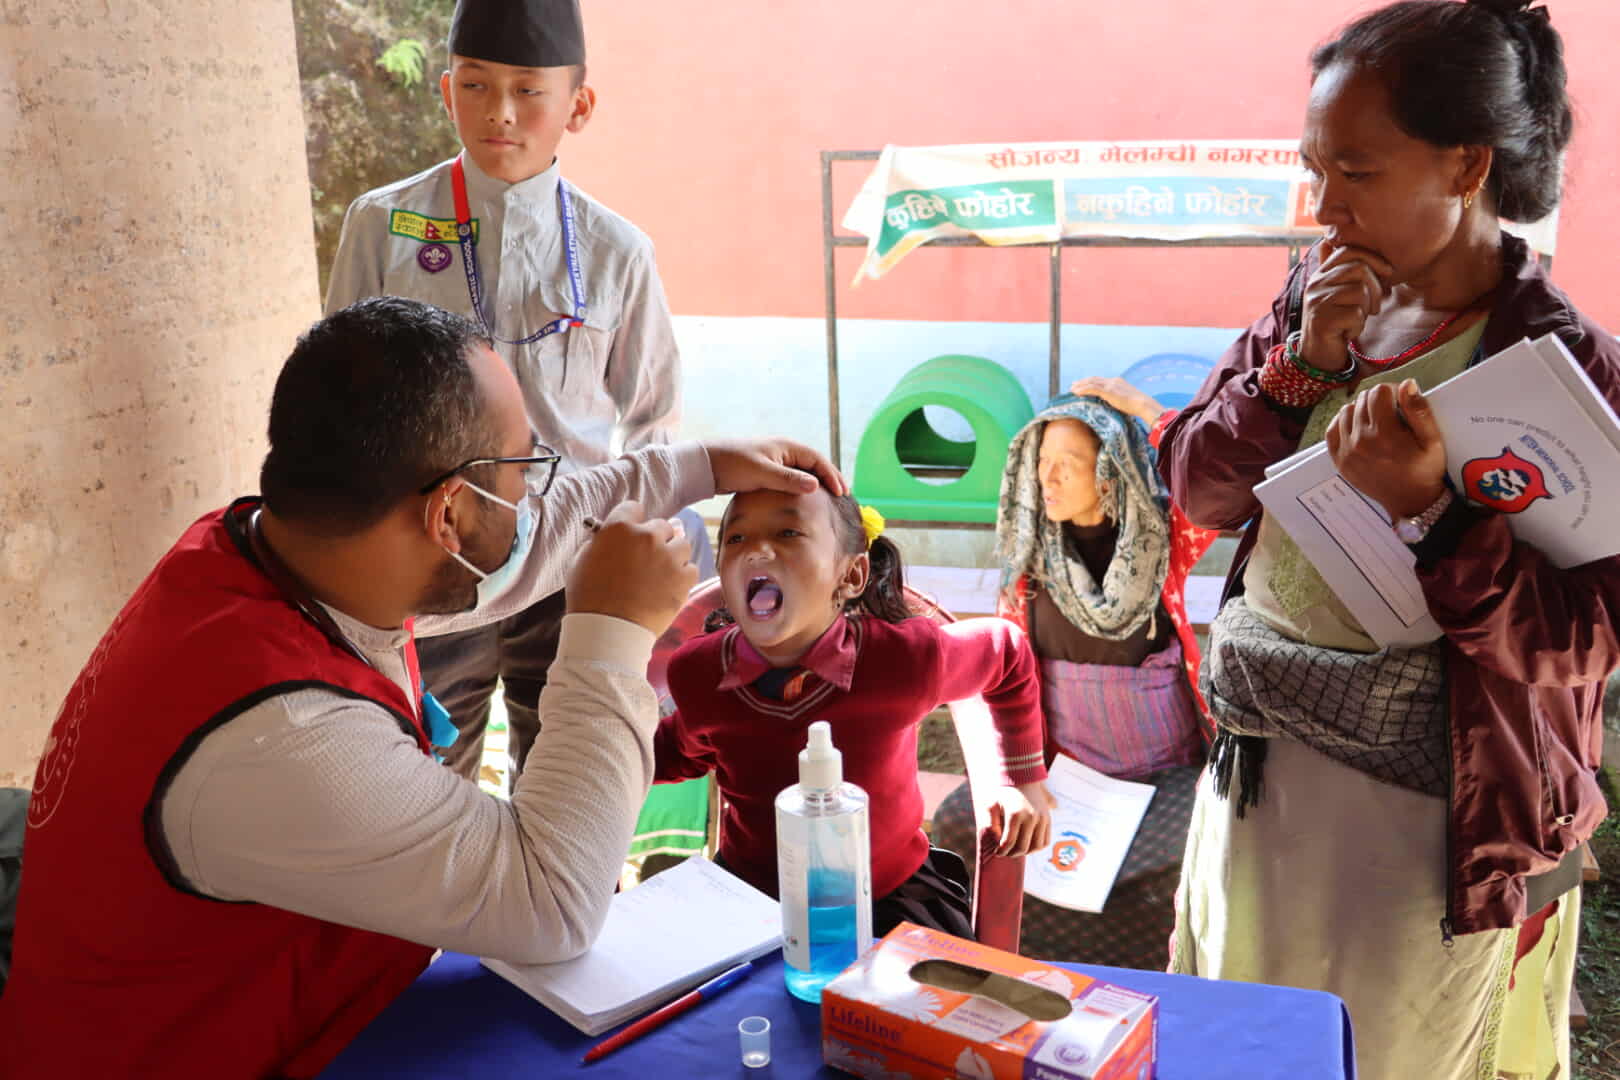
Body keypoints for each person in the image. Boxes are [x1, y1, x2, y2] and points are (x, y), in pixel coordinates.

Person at [0, 297, 842, 1079]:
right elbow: (551, 906)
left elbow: (515, 545)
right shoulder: (281, 737)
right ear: (447, 515)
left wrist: (697, 467)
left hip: (311, 1002)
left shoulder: (279, 552)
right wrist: (612, 633)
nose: (535, 493)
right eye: (523, 469)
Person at [1159, 3, 1616, 1077]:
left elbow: (1585, 643)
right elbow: (1196, 489)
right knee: (1242, 1035)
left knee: (1379, 1049)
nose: (1324, 207)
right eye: (1316, 169)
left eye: (1356, 172)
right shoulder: (1309, 307)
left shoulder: (1563, 370)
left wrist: (1436, 511)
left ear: (1465, 168)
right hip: (1263, 771)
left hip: (1429, 819)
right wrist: (1299, 369)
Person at [324, 0, 686, 787]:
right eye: (478, 86)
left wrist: (631, 559)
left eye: (529, 90)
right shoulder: (383, 225)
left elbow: (652, 419)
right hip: (430, 557)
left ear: (577, 105)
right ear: (447, 90)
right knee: (424, 776)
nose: (500, 113)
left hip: (571, 565)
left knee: (565, 777)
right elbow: (341, 402)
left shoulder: (618, 251)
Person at [653, 483, 1054, 938]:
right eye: (736, 538)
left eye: (788, 532)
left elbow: (1006, 652)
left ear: (852, 576)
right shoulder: (699, 673)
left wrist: (1022, 779)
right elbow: (681, 749)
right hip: (751, 902)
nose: (758, 551)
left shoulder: (903, 661)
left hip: (889, 902)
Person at [931, 379, 1217, 968]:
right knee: (968, 819)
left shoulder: (1164, 546)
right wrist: (1021, 779)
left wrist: (1139, 408)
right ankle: (1020, 964)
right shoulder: (1028, 570)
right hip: (1068, 779)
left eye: (1070, 463)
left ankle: (1151, 973)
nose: (1050, 478)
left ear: (1110, 469)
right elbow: (1004, 691)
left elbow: (1211, 477)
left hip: (1161, 781)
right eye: (1042, 463)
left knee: (1205, 829)